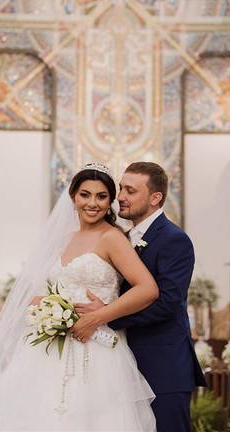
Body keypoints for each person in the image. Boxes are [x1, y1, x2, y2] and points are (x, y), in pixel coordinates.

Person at [0, 163, 159, 431]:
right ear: (73, 196)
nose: (92, 203)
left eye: (101, 196)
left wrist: (98, 316)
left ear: (110, 202)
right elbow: (41, 289)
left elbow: (147, 289)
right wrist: (44, 307)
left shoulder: (112, 239)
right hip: (46, 349)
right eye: (85, 194)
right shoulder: (61, 239)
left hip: (94, 351)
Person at [73, 162, 206, 432]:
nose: (120, 196)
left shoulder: (174, 239)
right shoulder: (123, 236)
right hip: (120, 362)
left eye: (130, 191)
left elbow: (167, 303)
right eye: (121, 188)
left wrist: (105, 316)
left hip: (162, 365)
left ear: (155, 198)